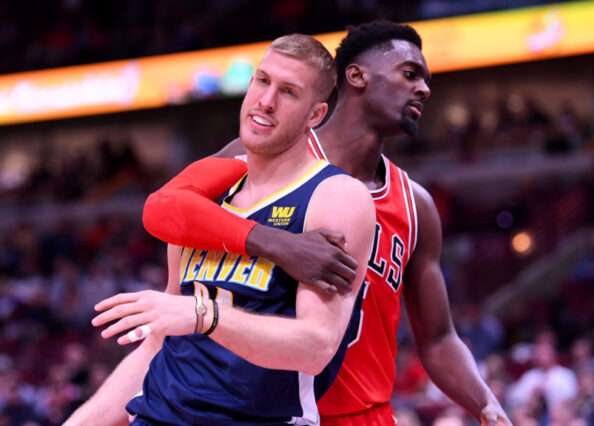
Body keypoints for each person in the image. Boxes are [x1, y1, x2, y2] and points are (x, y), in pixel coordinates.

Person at [142, 21, 511, 425]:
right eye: (410, 74)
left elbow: (439, 339)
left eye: (425, 80)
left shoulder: (415, 205)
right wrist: (277, 243)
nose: (423, 89)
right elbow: (166, 208)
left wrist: (485, 402)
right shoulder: (270, 153)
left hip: (368, 414)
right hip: (271, 410)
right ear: (356, 76)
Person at [64, 34, 376, 425]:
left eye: (289, 92)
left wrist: (203, 314)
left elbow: (315, 348)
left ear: (315, 115)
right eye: (262, 81)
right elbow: (159, 342)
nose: (266, 101)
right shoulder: (206, 196)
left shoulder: (335, 196)